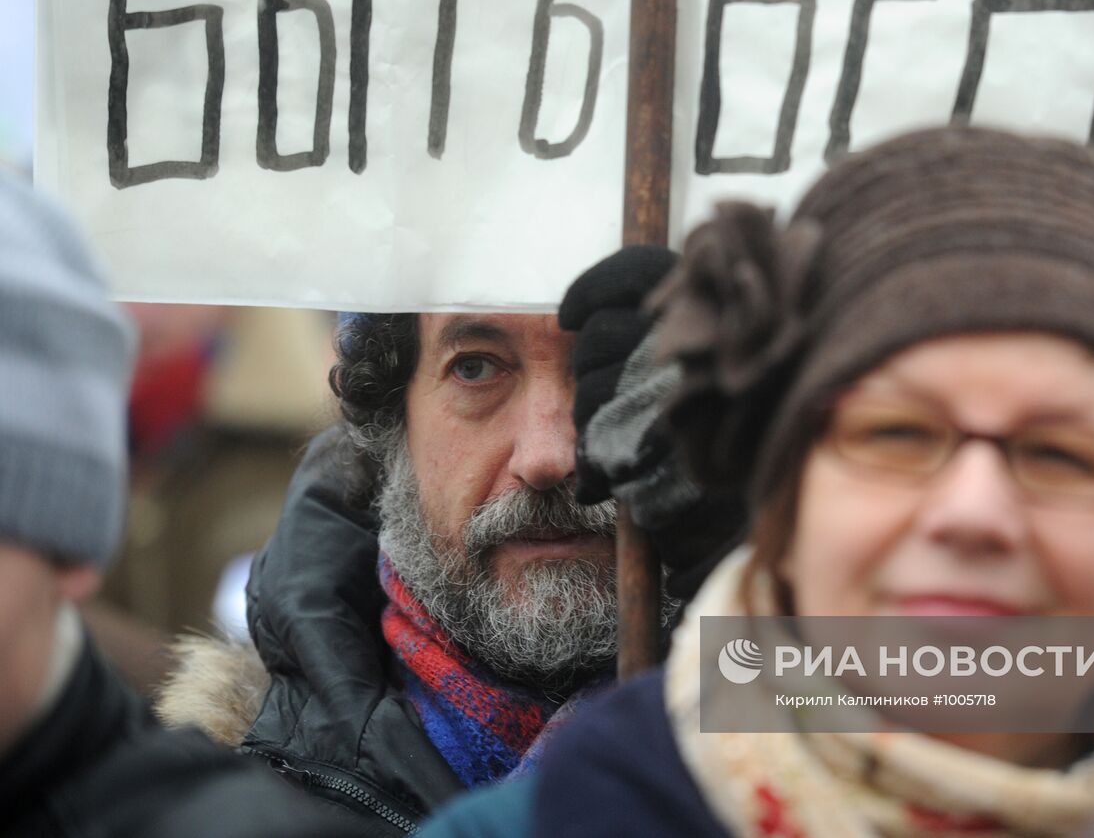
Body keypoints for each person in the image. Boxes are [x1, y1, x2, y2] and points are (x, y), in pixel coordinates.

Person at [420, 126, 1094, 837]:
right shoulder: (589, 811)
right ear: (783, 501)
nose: (976, 513)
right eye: (897, 434)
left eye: (1064, 455)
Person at [154, 248, 691, 832]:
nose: (548, 456)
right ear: (390, 429)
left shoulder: (795, 704)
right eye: (476, 368)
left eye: (611, 368)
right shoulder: (231, 795)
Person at [0, 177, 373, 838]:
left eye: (164, 261)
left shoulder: (305, 454)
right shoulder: (103, 425)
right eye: (110, 255)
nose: (142, 301)